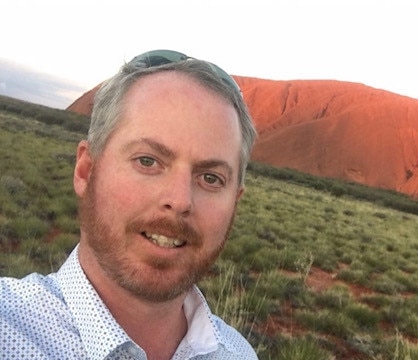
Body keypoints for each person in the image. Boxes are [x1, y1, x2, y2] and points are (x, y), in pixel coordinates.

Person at [0, 50, 258, 359]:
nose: (179, 200)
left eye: (211, 178)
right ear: (86, 170)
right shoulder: (9, 330)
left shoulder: (238, 353)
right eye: (147, 161)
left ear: (235, 202)